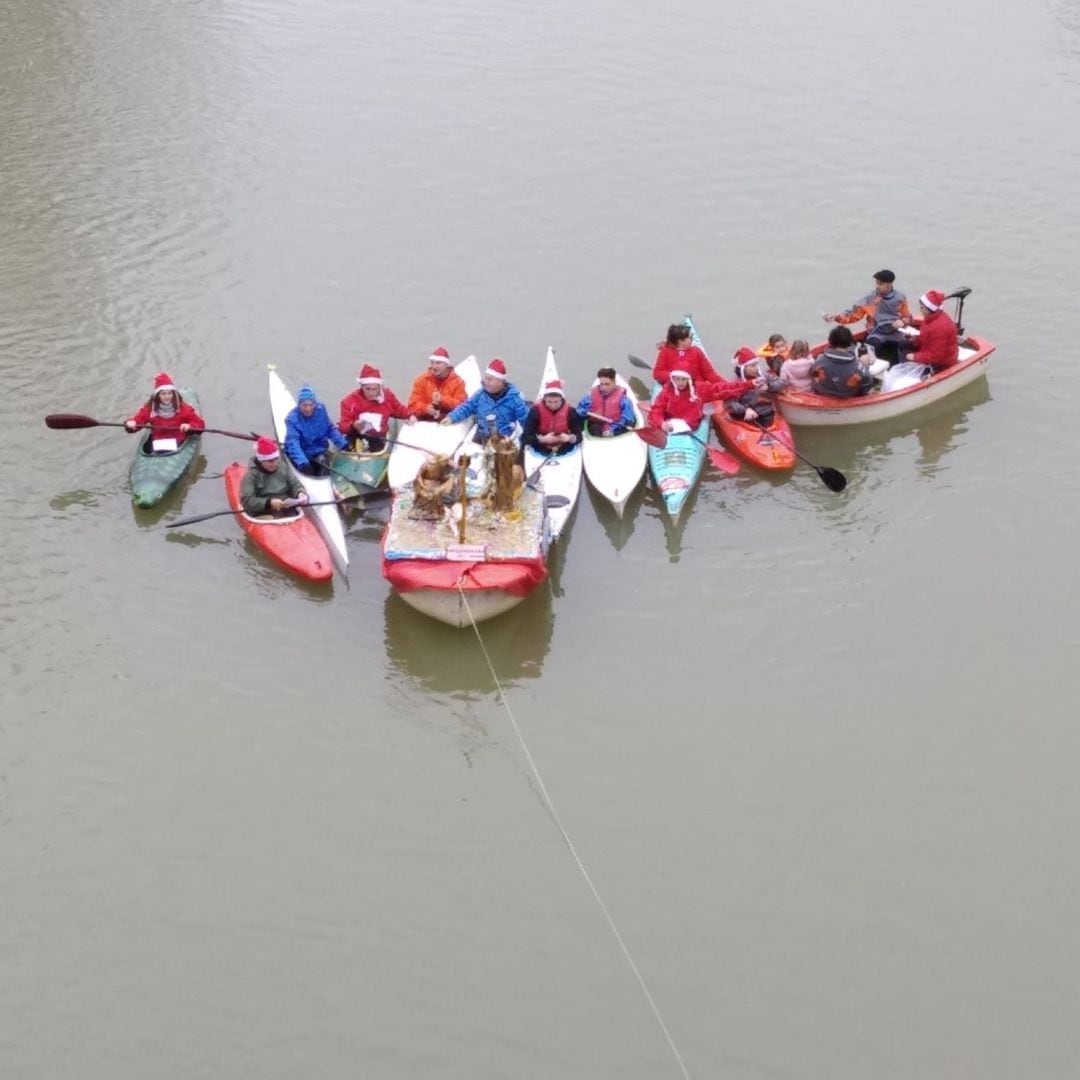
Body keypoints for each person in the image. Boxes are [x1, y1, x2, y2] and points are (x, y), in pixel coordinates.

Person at [822, 268, 912, 363]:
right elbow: (853, 315)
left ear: (889, 284)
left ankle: (903, 367)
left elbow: (908, 317)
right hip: (877, 333)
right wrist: (836, 317)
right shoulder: (869, 299)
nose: (877, 286)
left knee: (906, 344)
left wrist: (903, 322)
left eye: (880, 284)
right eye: (876, 283)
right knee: (871, 346)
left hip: (896, 332)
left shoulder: (900, 298)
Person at [440, 359, 530, 443]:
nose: (486, 382)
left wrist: (528, 439)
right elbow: (467, 407)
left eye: (490, 379)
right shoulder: (480, 395)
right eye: (485, 378)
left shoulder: (515, 399)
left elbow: (526, 421)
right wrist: (452, 417)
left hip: (503, 441)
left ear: (501, 381)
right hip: (482, 437)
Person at [648, 369, 753, 432]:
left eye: (683, 379)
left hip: (692, 430)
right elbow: (656, 411)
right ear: (673, 379)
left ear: (689, 379)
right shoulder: (667, 391)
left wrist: (749, 384)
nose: (680, 383)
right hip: (671, 428)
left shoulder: (701, 389)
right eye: (677, 379)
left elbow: (724, 389)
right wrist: (661, 424)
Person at [338, 364, 413, 452]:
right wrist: (353, 425)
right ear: (361, 387)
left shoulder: (388, 397)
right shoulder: (349, 402)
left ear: (379, 387)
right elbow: (342, 427)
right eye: (367, 389)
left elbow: (399, 410)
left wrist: (411, 415)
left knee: (378, 445)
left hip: (379, 438)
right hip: (356, 436)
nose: (371, 393)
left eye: (374, 389)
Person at [123, 372, 205, 449]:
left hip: (178, 441)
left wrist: (189, 427)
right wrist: (131, 424)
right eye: (163, 394)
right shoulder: (149, 408)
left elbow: (200, 425)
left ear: (173, 394)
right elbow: (138, 419)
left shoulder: (183, 408)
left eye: (170, 393)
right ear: (157, 395)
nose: (167, 396)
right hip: (158, 442)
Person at [284, 384, 349, 475]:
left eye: (311, 405)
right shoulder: (292, 419)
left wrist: (342, 444)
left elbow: (329, 429)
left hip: (319, 450)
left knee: (335, 466)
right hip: (303, 454)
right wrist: (303, 463)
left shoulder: (321, 410)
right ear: (299, 405)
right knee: (309, 471)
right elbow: (293, 443)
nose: (308, 409)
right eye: (304, 405)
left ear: (315, 404)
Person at [240, 436, 309, 516]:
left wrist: (300, 493)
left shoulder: (283, 467)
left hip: (286, 506)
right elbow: (247, 501)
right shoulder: (251, 476)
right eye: (270, 461)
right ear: (261, 461)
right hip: (265, 511)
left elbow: (295, 484)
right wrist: (269, 503)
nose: (275, 463)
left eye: (276, 459)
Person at [898, 289, 959, 370]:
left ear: (930, 309)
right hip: (930, 351)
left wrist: (915, 357)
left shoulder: (939, 328)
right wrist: (914, 339)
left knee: (906, 356)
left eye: (922, 308)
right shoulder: (931, 319)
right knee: (902, 343)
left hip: (942, 362)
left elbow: (936, 356)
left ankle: (907, 374)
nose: (920, 310)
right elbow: (926, 338)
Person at [523, 379, 584, 455]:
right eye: (549, 402)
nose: (553, 405)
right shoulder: (535, 411)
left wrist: (568, 438)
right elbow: (525, 437)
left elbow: (579, 436)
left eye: (556, 402)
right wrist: (543, 440)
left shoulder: (570, 411)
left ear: (561, 399)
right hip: (541, 446)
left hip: (563, 446)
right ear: (544, 399)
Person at [810, 326, 874, 398]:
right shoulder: (858, 366)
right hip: (848, 396)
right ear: (850, 342)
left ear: (830, 341)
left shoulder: (820, 360)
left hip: (823, 393)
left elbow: (813, 374)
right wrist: (864, 364)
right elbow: (868, 383)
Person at [407, 346, 468, 421]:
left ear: (447, 365)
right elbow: (412, 405)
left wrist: (442, 400)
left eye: (438, 363)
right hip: (425, 422)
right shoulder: (422, 380)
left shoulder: (458, 382)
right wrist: (426, 408)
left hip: (448, 421)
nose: (434, 366)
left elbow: (463, 406)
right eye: (432, 363)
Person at [652, 323, 721, 385]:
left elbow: (709, 373)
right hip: (677, 388)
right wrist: (677, 377)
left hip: (698, 387)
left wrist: (725, 384)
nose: (692, 339)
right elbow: (657, 373)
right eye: (690, 337)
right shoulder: (665, 352)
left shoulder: (696, 351)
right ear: (681, 341)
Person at [576, 366, 636, 436]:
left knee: (626, 425)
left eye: (607, 384)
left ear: (614, 382)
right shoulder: (591, 397)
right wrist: (584, 412)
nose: (603, 387)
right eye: (602, 384)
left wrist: (611, 430)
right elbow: (579, 408)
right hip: (597, 428)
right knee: (593, 427)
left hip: (615, 429)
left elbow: (628, 421)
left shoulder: (624, 401)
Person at [725, 350, 777, 425]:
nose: (756, 368)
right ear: (743, 368)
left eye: (756, 364)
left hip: (766, 413)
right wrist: (745, 410)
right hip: (748, 416)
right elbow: (730, 402)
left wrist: (769, 386)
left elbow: (781, 382)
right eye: (752, 366)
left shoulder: (763, 376)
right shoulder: (735, 384)